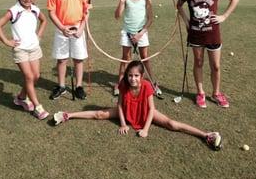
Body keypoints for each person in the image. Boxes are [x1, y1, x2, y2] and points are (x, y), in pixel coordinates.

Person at [52, 61, 222, 150]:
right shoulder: (123, 84)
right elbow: (119, 106)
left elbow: (151, 110)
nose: (132, 78)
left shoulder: (147, 86)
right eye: (130, 75)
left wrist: (146, 129)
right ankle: (68, 115)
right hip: (126, 111)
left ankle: (206, 135)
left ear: (141, 76)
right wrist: (124, 123)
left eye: (136, 76)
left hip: (146, 112)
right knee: (100, 114)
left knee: (171, 124)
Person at [177, 0, 239, 108]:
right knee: (198, 62)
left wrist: (223, 16)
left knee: (216, 66)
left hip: (213, 34)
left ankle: (216, 93)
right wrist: (186, 22)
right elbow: (179, 5)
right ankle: (200, 93)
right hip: (196, 35)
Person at [0, 0, 49, 120]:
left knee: (35, 76)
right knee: (29, 77)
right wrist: (7, 41)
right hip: (21, 50)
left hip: (34, 48)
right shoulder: (14, 10)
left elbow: (44, 20)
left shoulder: (35, 9)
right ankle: (37, 106)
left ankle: (21, 98)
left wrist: (39, 35)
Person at [114, 0, 163, 98]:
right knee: (125, 58)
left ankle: (153, 83)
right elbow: (117, 16)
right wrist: (121, 1)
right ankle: (120, 83)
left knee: (145, 58)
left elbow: (150, 19)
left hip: (141, 32)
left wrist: (140, 34)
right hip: (127, 32)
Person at [47, 0, 90, 100]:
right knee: (62, 59)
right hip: (61, 29)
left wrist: (81, 28)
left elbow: (86, 12)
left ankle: (78, 86)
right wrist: (62, 27)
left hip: (78, 28)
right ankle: (61, 86)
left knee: (78, 59)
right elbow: (51, 12)